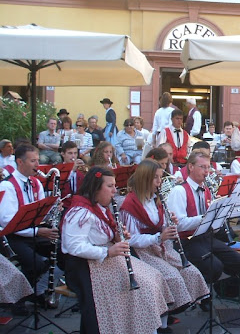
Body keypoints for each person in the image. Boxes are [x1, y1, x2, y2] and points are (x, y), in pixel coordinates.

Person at [61, 166, 173, 333]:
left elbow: (102, 235)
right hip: (84, 266)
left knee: (153, 277)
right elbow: (73, 246)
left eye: (114, 185)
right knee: (142, 288)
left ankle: (145, 327)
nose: (115, 191)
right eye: (110, 186)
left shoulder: (99, 208)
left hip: (103, 261)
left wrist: (118, 237)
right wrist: (107, 252)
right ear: (95, 187)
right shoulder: (79, 212)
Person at [120, 159, 209, 322]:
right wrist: (158, 237)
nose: (159, 182)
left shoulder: (157, 199)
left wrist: (169, 222)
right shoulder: (131, 204)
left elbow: (160, 224)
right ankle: (161, 319)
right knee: (172, 276)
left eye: (160, 177)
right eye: (156, 178)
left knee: (191, 272)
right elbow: (132, 239)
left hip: (163, 248)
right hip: (145, 252)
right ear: (145, 179)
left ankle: (168, 312)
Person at [166, 151, 240, 286]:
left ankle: (217, 287)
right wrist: (205, 218)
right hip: (187, 241)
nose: (207, 171)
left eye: (208, 167)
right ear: (190, 167)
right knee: (214, 267)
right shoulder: (179, 191)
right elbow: (177, 225)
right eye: (202, 167)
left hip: (206, 238)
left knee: (238, 261)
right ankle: (201, 293)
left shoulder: (206, 189)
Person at [0, 144, 56, 307]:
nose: (38, 165)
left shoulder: (36, 183)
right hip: (14, 236)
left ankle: (35, 291)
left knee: (61, 249)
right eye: (33, 161)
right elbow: (8, 223)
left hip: (33, 232)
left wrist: (53, 209)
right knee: (36, 264)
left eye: (38, 160)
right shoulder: (6, 186)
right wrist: (39, 231)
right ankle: (21, 297)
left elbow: (41, 213)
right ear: (20, 162)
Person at [60, 141, 86, 208]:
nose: (73, 156)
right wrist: (72, 171)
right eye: (70, 153)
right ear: (63, 154)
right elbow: (61, 186)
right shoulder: (59, 170)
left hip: (79, 204)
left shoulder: (79, 171)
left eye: (75, 153)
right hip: (63, 205)